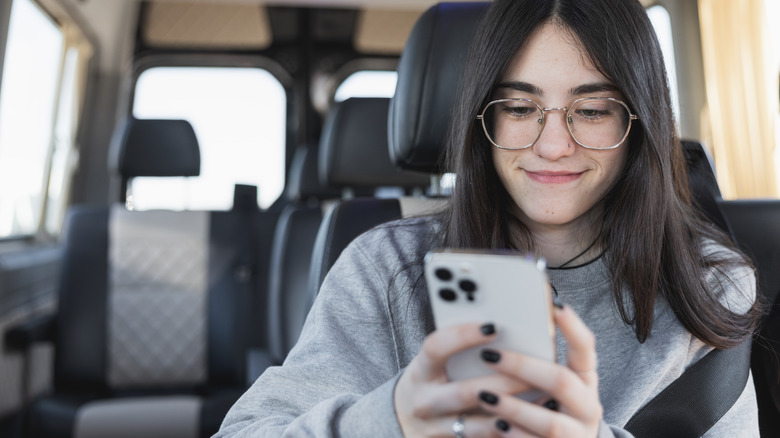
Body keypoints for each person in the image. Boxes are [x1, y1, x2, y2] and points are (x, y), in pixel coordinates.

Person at [215, 0, 763, 436]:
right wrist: (393, 417)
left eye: (592, 111)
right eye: (520, 108)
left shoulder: (711, 283)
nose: (552, 145)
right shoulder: (385, 268)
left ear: (639, 122)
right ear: (485, 119)